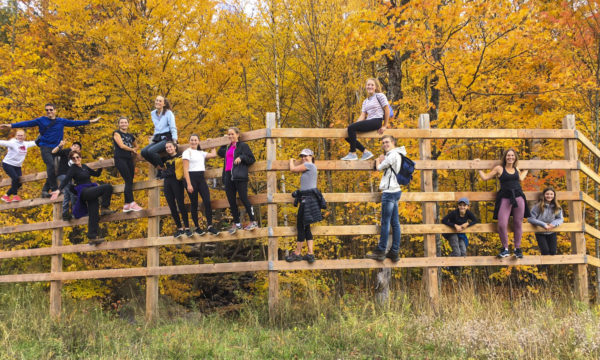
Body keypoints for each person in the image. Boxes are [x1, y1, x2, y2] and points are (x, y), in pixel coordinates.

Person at [0, 103, 101, 198]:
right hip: (45, 147)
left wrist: (90, 121)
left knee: (55, 169)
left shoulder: (61, 121)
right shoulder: (41, 120)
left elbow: (74, 123)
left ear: (55, 110)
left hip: (57, 148)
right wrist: (10, 125)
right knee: (51, 165)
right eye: (47, 110)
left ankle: (45, 190)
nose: (49, 111)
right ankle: (54, 188)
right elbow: (27, 123)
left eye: (51, 110)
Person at [50, 150, 115, 245]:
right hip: (83, 191)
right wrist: (59, 190)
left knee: (94, 213)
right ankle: (105, 207)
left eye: (77, 157)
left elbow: (97, 174)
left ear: (80, 157)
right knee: (107, 187)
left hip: (91, 190)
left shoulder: (84, 167)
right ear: (71, 160)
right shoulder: (73, 168)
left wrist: (101, 164)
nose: (76, 159)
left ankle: (92, 237)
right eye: (73, 158)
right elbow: (66, 180)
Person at [476, 148, 530, 259]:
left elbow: (520, 178)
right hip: (505, 197)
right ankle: (505, 249)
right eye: (508, 155)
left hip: (519, 197)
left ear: (515, 157)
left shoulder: (517, 168)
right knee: (502, 224)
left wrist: (527, 169)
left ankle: (517, 249)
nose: (510, 157)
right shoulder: (499, 168)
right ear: (505, 157)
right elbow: (485, 177)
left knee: (518, 223)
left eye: (512, 155)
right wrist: (478, 168)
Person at [366, 135, 404, 262]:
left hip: (390, 192)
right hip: (396, 190)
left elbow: (379, 168)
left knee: (386, 222)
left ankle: (381, 250)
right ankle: (394, 251)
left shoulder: (393, 155)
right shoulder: (397, 154)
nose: (385, 144)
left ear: (393, 142)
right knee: (395, 223)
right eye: (383, 143)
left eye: (387, 142)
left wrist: (378, 160)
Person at [285, 149, 326, 264]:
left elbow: (292, 169)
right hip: (308, 198)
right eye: (302, 156)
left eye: (305, 156)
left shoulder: (309, 165)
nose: (303, 158)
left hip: (307, 200)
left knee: (300, 225)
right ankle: (310, 253)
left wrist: (291, 161)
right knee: (306, 226)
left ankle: (297, 253)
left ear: (311, 156)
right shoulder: (310, 166)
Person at [217, 127, 257, 234]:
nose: (230, 136)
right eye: (229, 135)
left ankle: (253, 221)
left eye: (232, 134)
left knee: (243, 198)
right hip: (227, 176)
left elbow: (252, 159)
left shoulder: (243, 146)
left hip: (239, 176)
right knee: (231, 200)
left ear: (238, 134)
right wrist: (223, 141)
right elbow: (219, 153)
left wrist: (242, 157)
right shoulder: (227, 148)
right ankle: (237, 223)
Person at [341, 78, 391, 161]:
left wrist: (385, 125)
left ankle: (352, 153)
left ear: (375, 87)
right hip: (369, 121)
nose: (370, 86)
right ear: (366, 86)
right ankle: (365, 151)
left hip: (377, 121)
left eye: (372, 85)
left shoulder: (380, 96)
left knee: (351, 128)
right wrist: (354, 126)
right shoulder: (365, 101)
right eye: (368, 85)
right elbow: (363, 115)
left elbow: (387, 110)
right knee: (347, 135)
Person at [182, 134, 219, 236]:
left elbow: (213, 155)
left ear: (198, 141)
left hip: (201, 178)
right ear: (189, 141)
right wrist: (189, 184)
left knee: (207, 201)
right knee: (194, 203)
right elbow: (185, 169)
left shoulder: (201, 153)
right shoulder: (187, 152)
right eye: (192, 140)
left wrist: (212, 145)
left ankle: (210, 226)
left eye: (195, 140)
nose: (193, 142)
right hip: (190, 178)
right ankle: (197, 227)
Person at [141, 96, 177, 177]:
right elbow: (157, 127)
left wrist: (174, 141)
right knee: (143, 152)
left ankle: (162, 170)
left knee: (151, 151)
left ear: (164, 104)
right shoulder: (153, 113)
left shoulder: (168, 113)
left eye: (160, 101)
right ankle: (160, 167)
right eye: (156, 100)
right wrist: (154, 137)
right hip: (158, 138)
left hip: (167, 138)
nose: (157, 102)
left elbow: (173, 127)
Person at [113, 116, 143, 212]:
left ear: (128, 124)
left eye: (125, 122)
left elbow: (136, 145)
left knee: (129, 181)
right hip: (120, 158)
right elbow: (121, 146)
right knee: (128, 179)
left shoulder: (130, 136)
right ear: (119, 124)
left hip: (129, 159)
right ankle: (132, 203)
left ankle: (126, 205)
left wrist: (135, 150)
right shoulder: (116, 133)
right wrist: (132, 149)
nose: (124, 124)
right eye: (122, 122)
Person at [163, 141, 192, 238]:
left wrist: (168, 172)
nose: (168, 149)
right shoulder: (165, 159)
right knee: (172, 206)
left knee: (181, 204)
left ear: (175, 147)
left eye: (170, 147)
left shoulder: (181, 156)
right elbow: (163, 171)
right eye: (166, 147)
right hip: (167, 183)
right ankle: (179, 228)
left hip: (177, 182)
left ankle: (187, 228)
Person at [0, 129, 36, 202]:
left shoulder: (26, 144)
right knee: (15, 178)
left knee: (19, 183)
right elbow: (2, 142)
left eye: (21, 135)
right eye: (18, 135)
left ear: (24, 136)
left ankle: (6, 196)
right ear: (16, 136)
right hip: (8, 164)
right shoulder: (12, 143)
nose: (20, 137)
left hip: (17, 166)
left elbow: (36, 142)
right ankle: (15, 196)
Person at [528, 187, 564, 255]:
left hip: (551, 231)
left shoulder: (557, 207)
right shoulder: (538, 206)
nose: (549, 196)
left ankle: (549, 265)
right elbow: (530, 218)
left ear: (554, 196)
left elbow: (560, 218)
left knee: (553, 252)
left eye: (551, 194)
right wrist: (543, 224)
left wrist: (553, 224)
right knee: (545, 251)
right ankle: (544, 265)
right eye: (547, 194)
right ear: (544, 195)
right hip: (540, 232)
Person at [52, 140, 82, 220]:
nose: (75, 147)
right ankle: (74, 212)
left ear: (79, 150)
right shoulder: (67, 151)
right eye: (74, 145)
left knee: (67, 194)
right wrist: (59, 145)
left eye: (78, 147)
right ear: (71, 147)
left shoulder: (77, 158)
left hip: (69, 178)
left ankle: (65, 214)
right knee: (72, 193)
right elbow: (54, 153)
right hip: (62, 175)